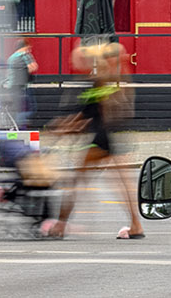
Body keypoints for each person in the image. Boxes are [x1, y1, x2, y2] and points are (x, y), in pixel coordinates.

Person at [47, 42, 145, 239]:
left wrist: (63, 129)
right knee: (122, 183)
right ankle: (136, 225)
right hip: (111, 136)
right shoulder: (112, 81)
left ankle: (60, 225)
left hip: (100, 138)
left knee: (77, 181)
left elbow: (87, 113)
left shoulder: (100, 80)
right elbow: (92, 112)